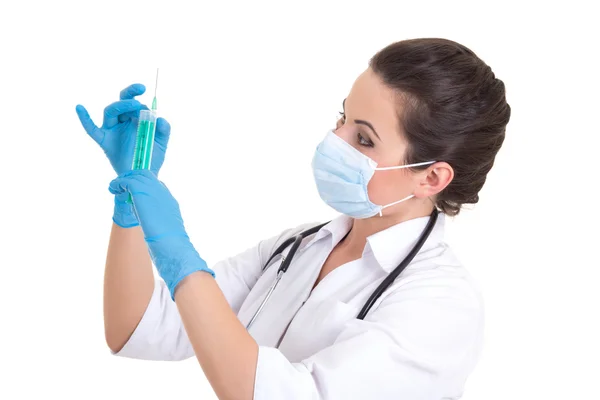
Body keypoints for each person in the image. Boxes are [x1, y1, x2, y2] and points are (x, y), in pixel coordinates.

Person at [75, 37, 510, 400]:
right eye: (343, 117)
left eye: (363, 138)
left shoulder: (441, 303)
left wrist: (178, 253)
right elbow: (137, 328)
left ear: (431, 177)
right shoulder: (298, 247)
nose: (334, 139)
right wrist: (133, 200)